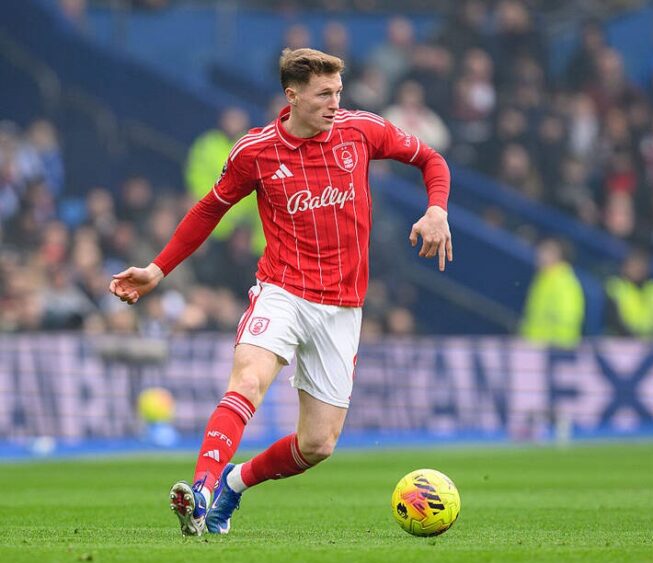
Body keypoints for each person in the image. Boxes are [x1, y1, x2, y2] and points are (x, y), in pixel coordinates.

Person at [109, 48, 452, 537]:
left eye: (338, 92)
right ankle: (201, 491)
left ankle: (233, 482)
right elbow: (209, 209)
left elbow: (430, 159)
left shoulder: (361, 130)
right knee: (247, 381)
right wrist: (158, 269)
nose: (335, 103)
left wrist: (436, 209)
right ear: (292, 96)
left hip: (342, 308)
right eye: (324, 94)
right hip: (283, 291)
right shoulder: (256, 151)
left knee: (318, 445)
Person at [185, 106, 266, 256]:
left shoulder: (252, 147)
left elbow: (256, 192)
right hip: (206, 219)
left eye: (237, 119)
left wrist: (246, 228)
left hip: (237, 231)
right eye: (230, 118)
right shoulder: (208, 143)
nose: (233, 124)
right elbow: (194, 173)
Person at [519, 238, 584, 349]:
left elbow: (567, 317)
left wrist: (557, 346)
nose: (540, 255)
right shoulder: (543, 278)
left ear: (557, 255)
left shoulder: (563, 281)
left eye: (546, 252)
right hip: (534, 346)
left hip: (553, 349)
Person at [604, 249, 653, 339]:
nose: (638, 269)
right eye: (634, 264)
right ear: (625, 266)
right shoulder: (615, 286)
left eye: (641, 265)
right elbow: (612, 319)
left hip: (652, 342)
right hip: (622, 341)